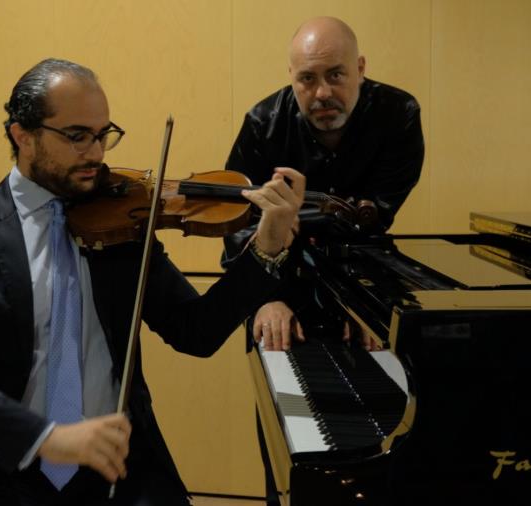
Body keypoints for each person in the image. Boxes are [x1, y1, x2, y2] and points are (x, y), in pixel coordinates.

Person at [0, 58, 304, 506]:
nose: (96, 153)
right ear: (22, 135)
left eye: (103, 134)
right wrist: (44, 437)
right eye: (76, 136)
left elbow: (196, 331)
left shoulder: (122, 225)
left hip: (115, 466)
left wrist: (266, 248)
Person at [221, 16, 424, 505]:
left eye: (335, 75)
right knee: (290, 458)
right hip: (281, 290)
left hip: (359, 286)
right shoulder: (263, 122)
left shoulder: (397, 113)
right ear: (291, 77)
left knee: (376, 458)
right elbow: (237, 223)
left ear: (359, 68)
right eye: (306, 79)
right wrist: (266, 299)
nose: (321, 93)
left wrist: (366, 306)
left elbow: (374, 221)